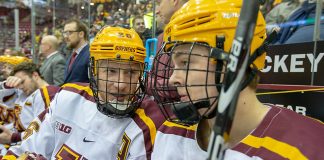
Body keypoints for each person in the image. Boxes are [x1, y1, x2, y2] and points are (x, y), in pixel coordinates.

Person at [150, 0, 324, 159]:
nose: (173, 79)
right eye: (174, 65)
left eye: (186, 62)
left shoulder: (306, 149)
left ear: (236, 61)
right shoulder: (170, 132)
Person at [3, 27, 164, 160]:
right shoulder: (67, 96)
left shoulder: (148, 122)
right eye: (111, 71)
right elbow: (25, 149)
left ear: (141, 74)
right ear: (93, 71)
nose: (121, 84)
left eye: (130, 72)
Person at [0, 62, 59, 145]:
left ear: (35, 75)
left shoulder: (47, 93)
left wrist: (13, 137)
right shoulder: (25, 92)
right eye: (17, 84)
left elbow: (44, 132)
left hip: (27, 146)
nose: (20, 87)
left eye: (22, 82)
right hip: (18, 141)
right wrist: (8, 85)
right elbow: (4, 99)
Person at [62, 19, 90, 84]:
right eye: (64, 33)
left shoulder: (90, 54)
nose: (65, 36)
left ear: (81, 34)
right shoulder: (72, 55)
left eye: (69, 33)